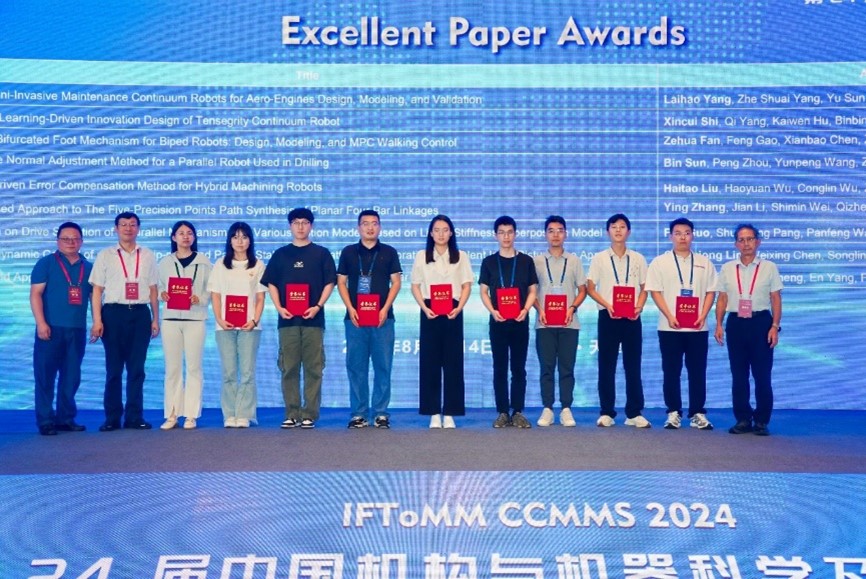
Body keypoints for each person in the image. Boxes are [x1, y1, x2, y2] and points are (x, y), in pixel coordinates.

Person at [262, 207, 336, 429]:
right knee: (289, 368)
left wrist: (317, 306)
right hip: (287, 321)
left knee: (314, 368)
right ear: (290, 226)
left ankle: (309, 414)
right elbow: (271, 283)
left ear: (311, 226)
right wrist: (279, 307)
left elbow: (330, 283)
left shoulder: (321, 253)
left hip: (314, 320)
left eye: (305, 222)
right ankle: (292, 413)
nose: (300, 227)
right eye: (296, 223)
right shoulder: (280, 254)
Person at [89, 212, 160, 431]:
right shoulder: (105, 255)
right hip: (113, 314)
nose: (128, 228)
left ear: (138, 228)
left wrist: (155, 319)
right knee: (114, 369)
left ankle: (134, 417)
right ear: (116, 228)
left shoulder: (147, 254)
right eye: (123, 224)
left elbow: (153, 289)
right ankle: (112, 418)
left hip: (140, 314)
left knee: (137, 369)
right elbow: (97, 290)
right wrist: (97, 320)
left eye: (132, 224)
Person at [646, 217, 718, 430]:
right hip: (670, 327)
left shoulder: (705, 262)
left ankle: (697, 413)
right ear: (670, 236)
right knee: (671, 371)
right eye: (677, 233)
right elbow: (655, 291)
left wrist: (703, 315)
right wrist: (669, 315)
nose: (682, 237)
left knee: (698, 371)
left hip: (698, 327)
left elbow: (711, 291)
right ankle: (673, 412)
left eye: (687, 233)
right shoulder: (660, 262)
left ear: (692, 235)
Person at [714, 224, 783, 436]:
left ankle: (761, 421)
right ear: (736, 244)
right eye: (741, 240)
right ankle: (743, 419)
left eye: (750, 239)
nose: (746, 244)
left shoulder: (769, 267)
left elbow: (775, 298)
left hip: (761, 322)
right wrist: (719, 324)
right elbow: (722, 298)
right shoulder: (727, 268)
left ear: (758, 242)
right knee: (739, 375)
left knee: (762, 375)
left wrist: (774, 326)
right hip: (736, 323)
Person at [337, 210, 402, 429]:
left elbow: (396, 282)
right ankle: (359, 413)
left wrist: (385, 308)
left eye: (374, 223)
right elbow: (341, 282)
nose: (370, 228)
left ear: (380, 227)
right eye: (365, 224)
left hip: (383, 319)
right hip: (355, 319)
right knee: (356, 367)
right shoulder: (348, 252)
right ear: (359, 227)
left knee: (383, 366)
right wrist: (350, 308)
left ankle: (381, 413)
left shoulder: (389, 252)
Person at [587, 214, 651, 428]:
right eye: (613, 227)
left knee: (633, 366)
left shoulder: (638, 259)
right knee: (607, 366)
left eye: (622, 227)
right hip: (608, 316)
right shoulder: (599, 258)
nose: (618, 230)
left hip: (632, 317)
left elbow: (645, 287)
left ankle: (634, 413)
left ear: (628, 232)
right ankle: (607, 412)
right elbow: (590, 288)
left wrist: (639, 306)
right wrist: (608, 305)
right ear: (608, 231)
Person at [30, 222, 93, 435]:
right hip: (50, 328)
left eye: (75, 238)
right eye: (66, 238)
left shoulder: (88, 267)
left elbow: (94, 299)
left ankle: (65, 419)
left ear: (81, 241)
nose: (71, 242)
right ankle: (45, 421)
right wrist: (41, 323)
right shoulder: (46, 263)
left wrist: (97, 322)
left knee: (71, 377)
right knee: (45, 377)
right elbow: (35, 294)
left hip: (77, 329)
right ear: (58, 241)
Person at [411, 215, 473, 429]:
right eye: (436, 230)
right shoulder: (422, 256)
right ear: (431, 233)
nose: (440, 234)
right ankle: (434, 412)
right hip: (429, 310)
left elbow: (466, 286)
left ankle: (450, 412)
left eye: (445, 230)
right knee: (430, 363)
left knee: (453, 363)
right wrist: (424, 307)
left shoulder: (461, 256)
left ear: (451, 233)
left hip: (453, 310)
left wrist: (459, 308)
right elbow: (415, 286)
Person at [479, 216, 538, 428]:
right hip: (498, 322)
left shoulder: (526, 261)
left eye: (510, 232)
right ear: (496, 235)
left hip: (520, 321)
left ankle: (518, 411)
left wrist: (525, 309)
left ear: (515, 234)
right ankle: (503, 412)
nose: (506, 236)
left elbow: (533, 290)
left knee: (519, 368)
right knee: (500, 368)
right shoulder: (488, 262)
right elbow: (483, 291)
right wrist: (493, 311)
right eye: (502, 232)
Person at [207, 222, 266, 429]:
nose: (240, 241)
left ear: (250, 240)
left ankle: (244, 414)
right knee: (229, 372)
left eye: (244, 237)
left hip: (250, 326)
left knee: (247, 372)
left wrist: (254, 320)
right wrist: (219, 319)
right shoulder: (220, 264)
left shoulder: (257, 265)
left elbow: (260, 297)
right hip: (225, 326)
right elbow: (215, 295)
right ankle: (229, 413)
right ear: (229, 240)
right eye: (235, 237)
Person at [532, 216, 586, 427]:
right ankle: (547, 408)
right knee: (546, 368)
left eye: (560, 230)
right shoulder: (536, 261)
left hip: (568, 324)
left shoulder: (574, 261)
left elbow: (582, 290)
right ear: (545, 234)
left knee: (567, 367)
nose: (556, 235)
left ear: (566, 234)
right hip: (544, 323)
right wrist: (540, 310)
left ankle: (566, 409)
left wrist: (572, 308)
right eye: (551, 231)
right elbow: (531, 291)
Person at [157, 221, 212, 430]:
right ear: (173, 237)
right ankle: (172, 414)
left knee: (194, 368)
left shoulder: (204, 262)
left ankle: (191, 414)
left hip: (195, 319)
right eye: (181, 233)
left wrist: (200, 298)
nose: (185, 237)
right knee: (172, 369)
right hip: (171, 320)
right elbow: (158, 287)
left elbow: (211, 290)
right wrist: (162, 294)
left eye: (189, 233)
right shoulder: (165, 262)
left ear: (194, 237)